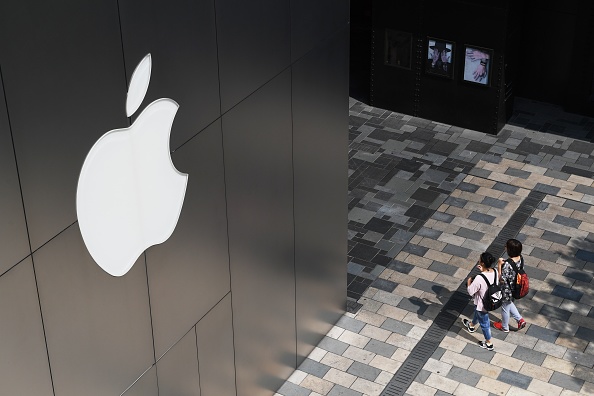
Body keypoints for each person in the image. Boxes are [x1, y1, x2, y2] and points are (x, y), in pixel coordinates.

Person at [462, 252, 497, 351]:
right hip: (491, 300)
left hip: (482, 304)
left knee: (485, 323)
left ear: (482, 263)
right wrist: (483, 271)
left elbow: (470, 291)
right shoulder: (494, 271)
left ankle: (489, 343)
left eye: (480, 259)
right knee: (477, 313)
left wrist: (469, 281)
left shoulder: (479, 278)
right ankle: (471, 325)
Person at [493, 239, 527, 332]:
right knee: (509, 303)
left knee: (505, 308)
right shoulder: (521, 258)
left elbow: (501, 280)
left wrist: (499, 265)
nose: (505, 247)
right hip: (516, 288)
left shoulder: (508, 264)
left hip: (507, 290)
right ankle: (520, 320)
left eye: (506, 247)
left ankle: (504, 327)